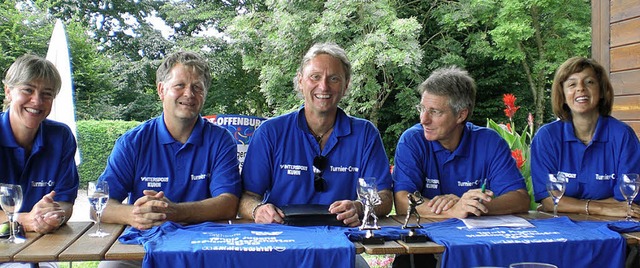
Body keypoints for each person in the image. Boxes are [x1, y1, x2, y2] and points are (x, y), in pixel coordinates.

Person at [238, 42, 393, 228]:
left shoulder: (365, 134)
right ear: (301, 81)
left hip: (342, 240)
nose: (324, 86)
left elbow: (384, 196)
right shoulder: (270, 132)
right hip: (281, 238)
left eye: (334, 78)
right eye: (315, 77)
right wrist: (258, 210)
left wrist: (359, 207)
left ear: (346, 85)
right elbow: (246, 197)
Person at [392, 66, 530, 267]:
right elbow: (403, 201)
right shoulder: (412, 140)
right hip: (423, 249)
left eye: (435, 112)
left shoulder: (489, 142)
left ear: (461, 115)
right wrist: (454, 210)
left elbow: (520, 198)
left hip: (479, 248)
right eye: (422, 109)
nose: (424, 119)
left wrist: (474, 206)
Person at [98, 51, 241, 232]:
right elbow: (99, 204)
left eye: (197, 87)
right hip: (142, 243)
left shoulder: (220, 140)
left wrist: (174, 212)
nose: (189, 94)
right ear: (161, 90)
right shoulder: (133, 142)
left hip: (202, 245)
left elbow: (228, 204)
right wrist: (135, 214)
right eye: (179, 85)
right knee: (111, 263)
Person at [530, 57, 640, 217]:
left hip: (614, 230)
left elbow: (626, 202)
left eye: (589, 82)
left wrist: (567, 204)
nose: (580, 89)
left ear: (602, 91)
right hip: (562, 230)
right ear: (563, 94)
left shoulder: (623, 135)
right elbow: (548, 200)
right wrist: (600, 208)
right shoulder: (547, 137)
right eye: (572, 84)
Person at [0, 54, 77, 235]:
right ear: (8, 91)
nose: (37, 100)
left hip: (41, 245)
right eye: (28, 90)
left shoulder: (61, 137)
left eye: (47, 94)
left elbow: (65, 202)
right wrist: (27, 220)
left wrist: (53, 218)